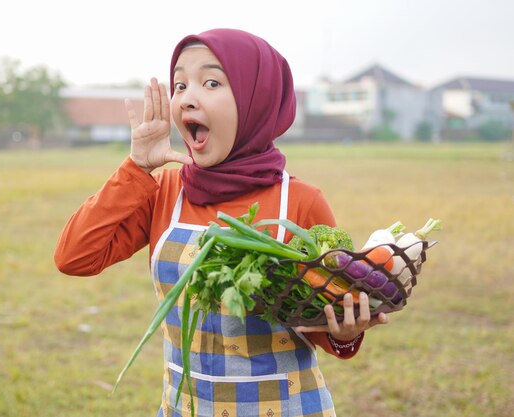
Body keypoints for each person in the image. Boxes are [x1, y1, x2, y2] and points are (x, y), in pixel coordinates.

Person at [54, 28, 388, 417]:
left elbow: (325, 326)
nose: (188, 97)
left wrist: (345, 333)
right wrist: (136, 168)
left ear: (255, 98)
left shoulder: (299, 202)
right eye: (180, 84)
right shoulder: (164, 189)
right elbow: (74, 257)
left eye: (211, 82)